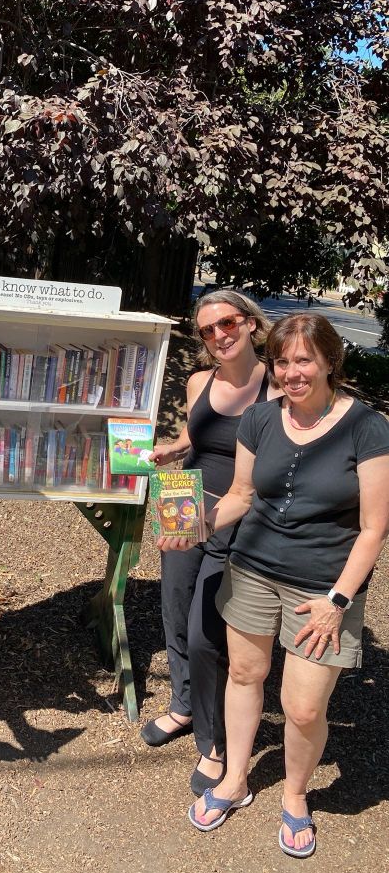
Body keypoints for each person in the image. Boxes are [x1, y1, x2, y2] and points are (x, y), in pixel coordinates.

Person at [184, 313, 389, 856]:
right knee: (245, 675)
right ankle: (235, 778)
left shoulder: (367, 427)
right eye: (281, 361)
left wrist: (337, 601)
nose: (292, 372)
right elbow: (241, 495)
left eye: (303, 360)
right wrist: (197, 527)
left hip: (323, 589)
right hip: (252, 571)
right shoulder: (260, 418)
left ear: (329, 360)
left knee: (303, 709)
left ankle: (295, 795)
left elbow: (374, 528)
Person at [142, 290, 275, 797]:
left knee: (208, 634)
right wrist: (170, 450)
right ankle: (182, 704)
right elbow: (197, 437)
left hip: (239, 518)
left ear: (251, 324)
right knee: (174, 610)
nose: (219, 335)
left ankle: (214, 739)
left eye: (228, 323)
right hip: (184, 505)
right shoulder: (200, 380)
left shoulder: (277, 387)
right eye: (207, 330)